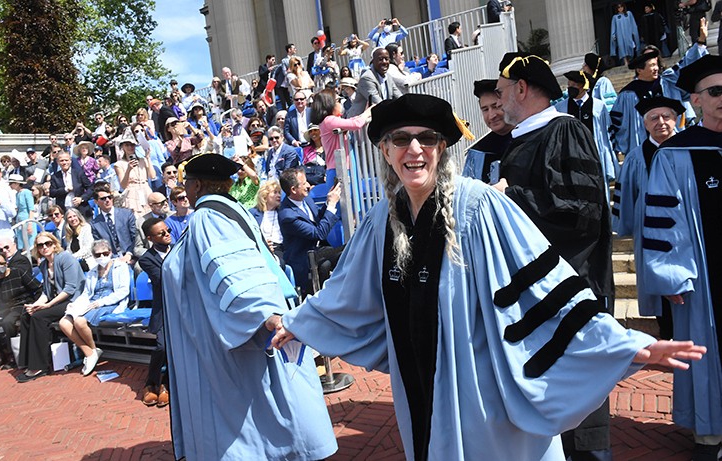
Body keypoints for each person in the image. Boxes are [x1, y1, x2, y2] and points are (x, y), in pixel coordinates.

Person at [271, 93, 705, 460]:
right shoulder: (382, 220)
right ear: (385, 151)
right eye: (401, 140)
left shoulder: (480, 208)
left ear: (443, 148)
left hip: (484, 390)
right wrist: (299, 323)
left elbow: (548, 289)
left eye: (427, 139)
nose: (414, 150)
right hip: (416, 383)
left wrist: (629, 345)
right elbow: (348, 291)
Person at [161, 154, 337, 460]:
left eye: (186, 182)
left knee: (252, 422)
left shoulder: (209, 218)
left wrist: (263, 314)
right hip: (223, 328)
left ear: (197, 185)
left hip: (230, 339)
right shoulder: (227, 214)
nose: (184, 188)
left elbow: (231, 268)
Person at [493, 52, 618, 459]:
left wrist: (510, 198)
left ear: (522, 89)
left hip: (571, 287)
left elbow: (582, 212)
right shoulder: (521, 139)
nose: (497, 100)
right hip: (534, 292)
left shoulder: (565, 132)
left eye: (501, 91)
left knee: (580, 400)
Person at [641, 55, 722, 460]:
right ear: (695, 101)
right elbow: (662, 219)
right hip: (706, 280)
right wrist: (671, 275)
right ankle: (711, 435)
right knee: (709, 354)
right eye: (715, 91)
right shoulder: (675, 155)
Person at [612, 96, 684, 341]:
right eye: (654, 118)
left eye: (667, 117)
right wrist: (628, 228)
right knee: (659, 294)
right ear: (644, 124)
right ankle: (667, 334)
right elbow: (628, 197)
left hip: (688, 234)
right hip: (651, 237)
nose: (661, 122)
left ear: (677, 119)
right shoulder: (635, 157)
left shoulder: (691, 150)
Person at [17, 232, 85, 383]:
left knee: (39, 317)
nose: (44, 247)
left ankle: (40, 366)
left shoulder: (65, 258)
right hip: (58, 301)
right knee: (27, 314)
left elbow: (70, 289)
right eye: (40, 245)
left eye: (48, 243)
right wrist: (35, 305)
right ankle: (27, 360)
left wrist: (46, 306)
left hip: (74, 300)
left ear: (54, 244)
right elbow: (46, 292)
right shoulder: (43, 265)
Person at [59, 240, 130, 376]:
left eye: (105, 253)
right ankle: (91, 352)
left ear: (110, 252)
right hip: (92, 302)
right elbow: (86, 293)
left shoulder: (120, 267)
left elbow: (123, 291)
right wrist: (76, 303)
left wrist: (102, 302)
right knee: (64, 322)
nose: (102, 257)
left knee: (79, 321)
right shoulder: (92, 272)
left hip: (110, 302)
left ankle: (91, 353)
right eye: (98, 255)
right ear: (93, 256)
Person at [554, 70, 618, 199]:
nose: (570, 88)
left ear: (583, 86)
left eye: (574, 85)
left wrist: (609, 161)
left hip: (594, 157)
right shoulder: (560, 108)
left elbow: (606, 137)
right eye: (569, 85)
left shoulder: (599, 107)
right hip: (569, 158)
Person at [278, 167, 341, 293]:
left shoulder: (306, 198)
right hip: (304, 261)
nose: (308, 185)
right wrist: (333, 205)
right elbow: (318, 233)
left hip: (317, 252)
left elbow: (317, 219)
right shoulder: (288, 215)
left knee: (348, 250)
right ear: (293, 189)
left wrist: (328, 203)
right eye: (304, 183)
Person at [0, 252, 41, 370]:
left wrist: (35, 304)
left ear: (7, 263)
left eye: (2, 263)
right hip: (2, 309)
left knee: (8, 322)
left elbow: (37, 287)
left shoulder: (18, 273)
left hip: (20, 304)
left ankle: (11, 354)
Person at [138, 218, 172, 407]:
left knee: (176, 348)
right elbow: (162, 279)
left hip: (183, 309)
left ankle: (165, 385)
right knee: (162, 347)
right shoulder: (146, 259)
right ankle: (151, 383)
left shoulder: (177, 249)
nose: (167, 234)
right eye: (161, 233)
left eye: (167, 230)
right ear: (150, 238)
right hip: (163, 310)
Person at [311, 88, 372, 178]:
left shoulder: (329, 120)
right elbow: (356, 123)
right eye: (337, 101)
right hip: (338, 169)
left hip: (344, 166)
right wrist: (368, 112)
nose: (340, 104)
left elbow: (352, 121)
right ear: (330, 105)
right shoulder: (329, 120)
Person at [462, 79, 514, 183]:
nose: (491, 115)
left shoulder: (530, 138)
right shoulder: (477, 153)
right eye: (485, 109)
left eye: (495, 107)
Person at [346, 48, 403, 118]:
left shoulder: (388, 77)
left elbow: (399, 96)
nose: (384, 62)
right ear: (373, 61)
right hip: (360, 123)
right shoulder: (367, 78)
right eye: (380, 59)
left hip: (379, 117)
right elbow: (378, 102)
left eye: (386, 59)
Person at [91, 184, 137, 264]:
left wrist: (129, 254)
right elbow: (100, 246)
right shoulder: (95, 224)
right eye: (103, 198)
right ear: (96, 202)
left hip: (131, 256)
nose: (107, 200)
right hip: (110, 260)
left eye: (109, 197)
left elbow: (136, 237)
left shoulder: (127, 214)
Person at [114, 133, 157, 217]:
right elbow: (123, 185)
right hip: (132, 194)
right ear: (122, 147)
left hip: (145, 190)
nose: (130, 147)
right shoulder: (119, 164)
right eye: (127, 145)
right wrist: (128, 170)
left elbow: (152, 176)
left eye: (132, 145)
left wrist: (148, 158)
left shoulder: (143, 160)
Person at [248, 180, 285, 267]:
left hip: (279, 249)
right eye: (275, 192)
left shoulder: (283, 212)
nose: (279, 195)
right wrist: (263, 246)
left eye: (279, 193)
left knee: (279, 264)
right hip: (260, 249)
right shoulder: (252, 213)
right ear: (265, 196)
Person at [49, 151, 94, 220]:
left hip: (81, 210)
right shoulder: (55, 177)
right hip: (64, 211)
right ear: (58, 162)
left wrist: (81, 198)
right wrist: (65, 189)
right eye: (61, 161)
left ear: (70, 161)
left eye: (66, 160)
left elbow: (91, 188)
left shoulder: (79, 173)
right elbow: (52, 193)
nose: (64, 163)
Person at [8, 174, 35, 250]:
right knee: (22, 243)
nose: (10, 185)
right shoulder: (17, 194)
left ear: (17, 183)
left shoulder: (27, 192)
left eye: (11, 183)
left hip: (27, 219)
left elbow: (31, 209)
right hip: (19, 221)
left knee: (30, 243)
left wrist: (30, 223)